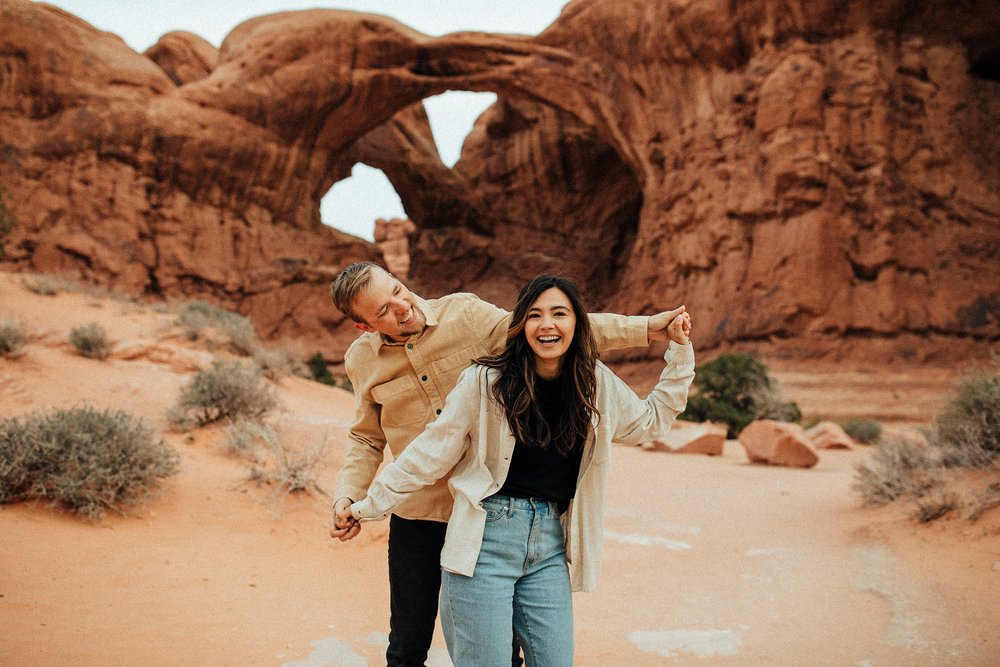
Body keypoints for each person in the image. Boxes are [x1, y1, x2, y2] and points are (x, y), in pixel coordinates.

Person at [327, 262, 687, 667]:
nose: (402, 305)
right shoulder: (362, 361)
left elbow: (549, 330)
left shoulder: (464, 314)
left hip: (486, 513)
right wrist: (350, 496)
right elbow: (366, 437)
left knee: (508, 649)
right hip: (420, 513)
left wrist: (648, 331)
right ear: (363, 326)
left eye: (397, 289)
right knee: (407, 645)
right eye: (383, 311)